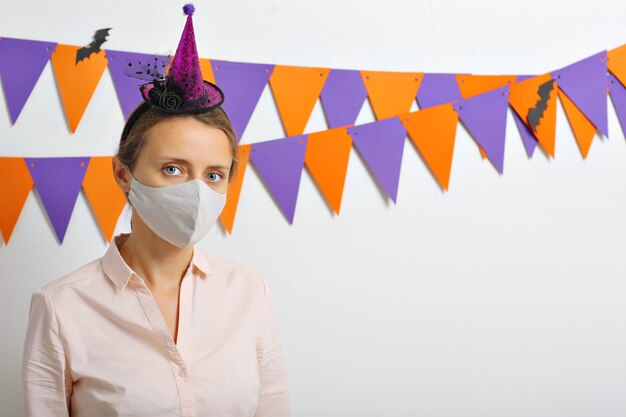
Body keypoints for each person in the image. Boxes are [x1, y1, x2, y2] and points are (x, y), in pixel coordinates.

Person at [21, 4, 291, 416]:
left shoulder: (250, 293)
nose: (197, 191)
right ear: (123, 174)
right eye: (173, 168)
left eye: (214, 175)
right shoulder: (61, 306)